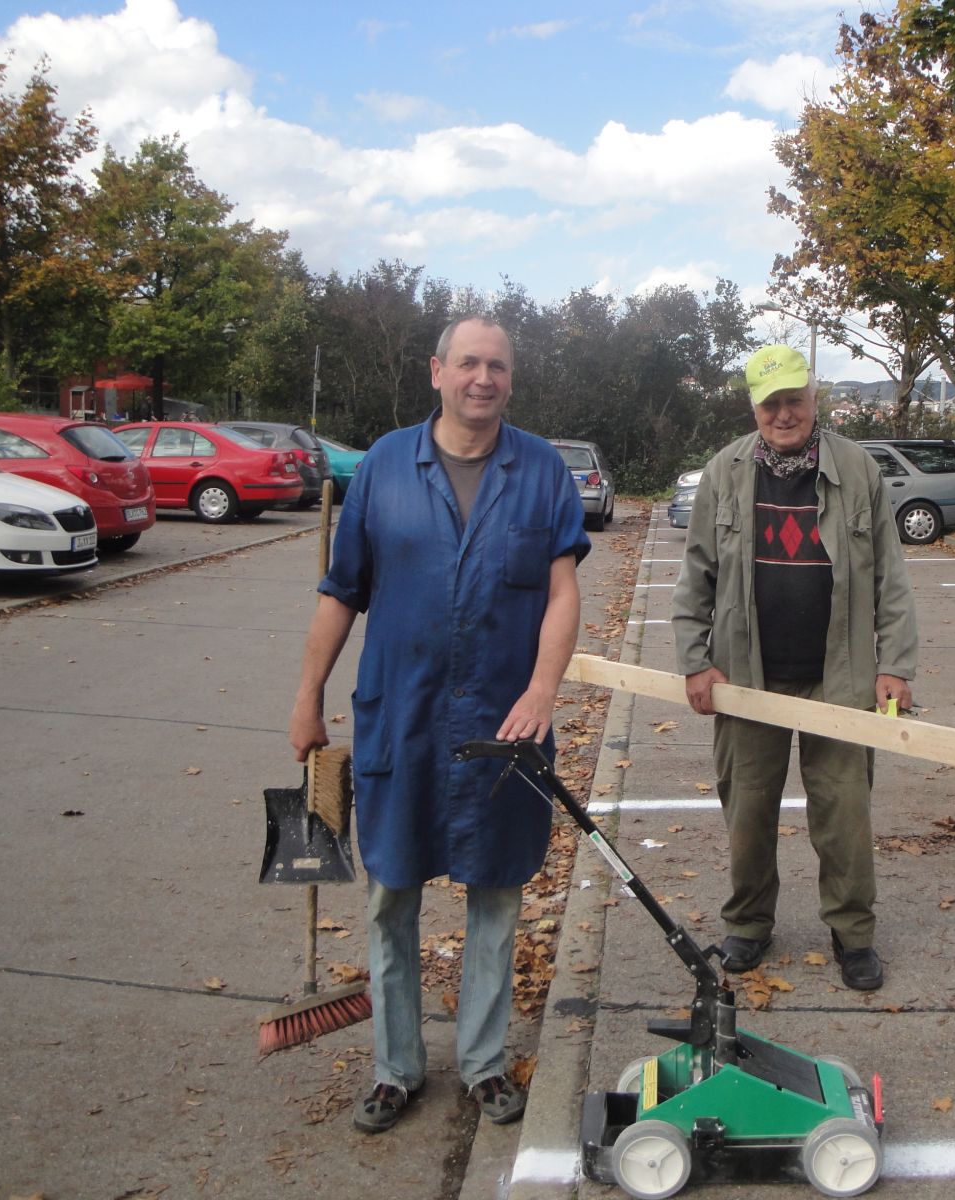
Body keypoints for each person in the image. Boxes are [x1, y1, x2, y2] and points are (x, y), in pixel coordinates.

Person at [288, 316, 589, 1133]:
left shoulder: (541, 473)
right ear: (437, 372)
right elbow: (341, 590)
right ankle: (396, 1068)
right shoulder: (386, 466)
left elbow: (562, 592)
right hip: (403, 719)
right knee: (391, 894)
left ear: (510, 380)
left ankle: (485, 1063)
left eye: (496, 366)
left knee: (495, 895)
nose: (481, 378)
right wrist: (308, 695)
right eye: (468, 364)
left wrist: (542, 690)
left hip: (504, 727)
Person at [670, 344, 916, 991]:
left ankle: (853, 934)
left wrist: (895, 664)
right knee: (747, 810)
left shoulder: (858, 470)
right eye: (771, 403)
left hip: (839, 679)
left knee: (844, 815)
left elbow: (891, 578)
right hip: (746, 677)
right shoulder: (724, 474)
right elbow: (695, 575)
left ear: (815, 399)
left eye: (794, 401)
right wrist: (695, 662)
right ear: (755, 407)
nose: (784, 414)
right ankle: (749, 924)